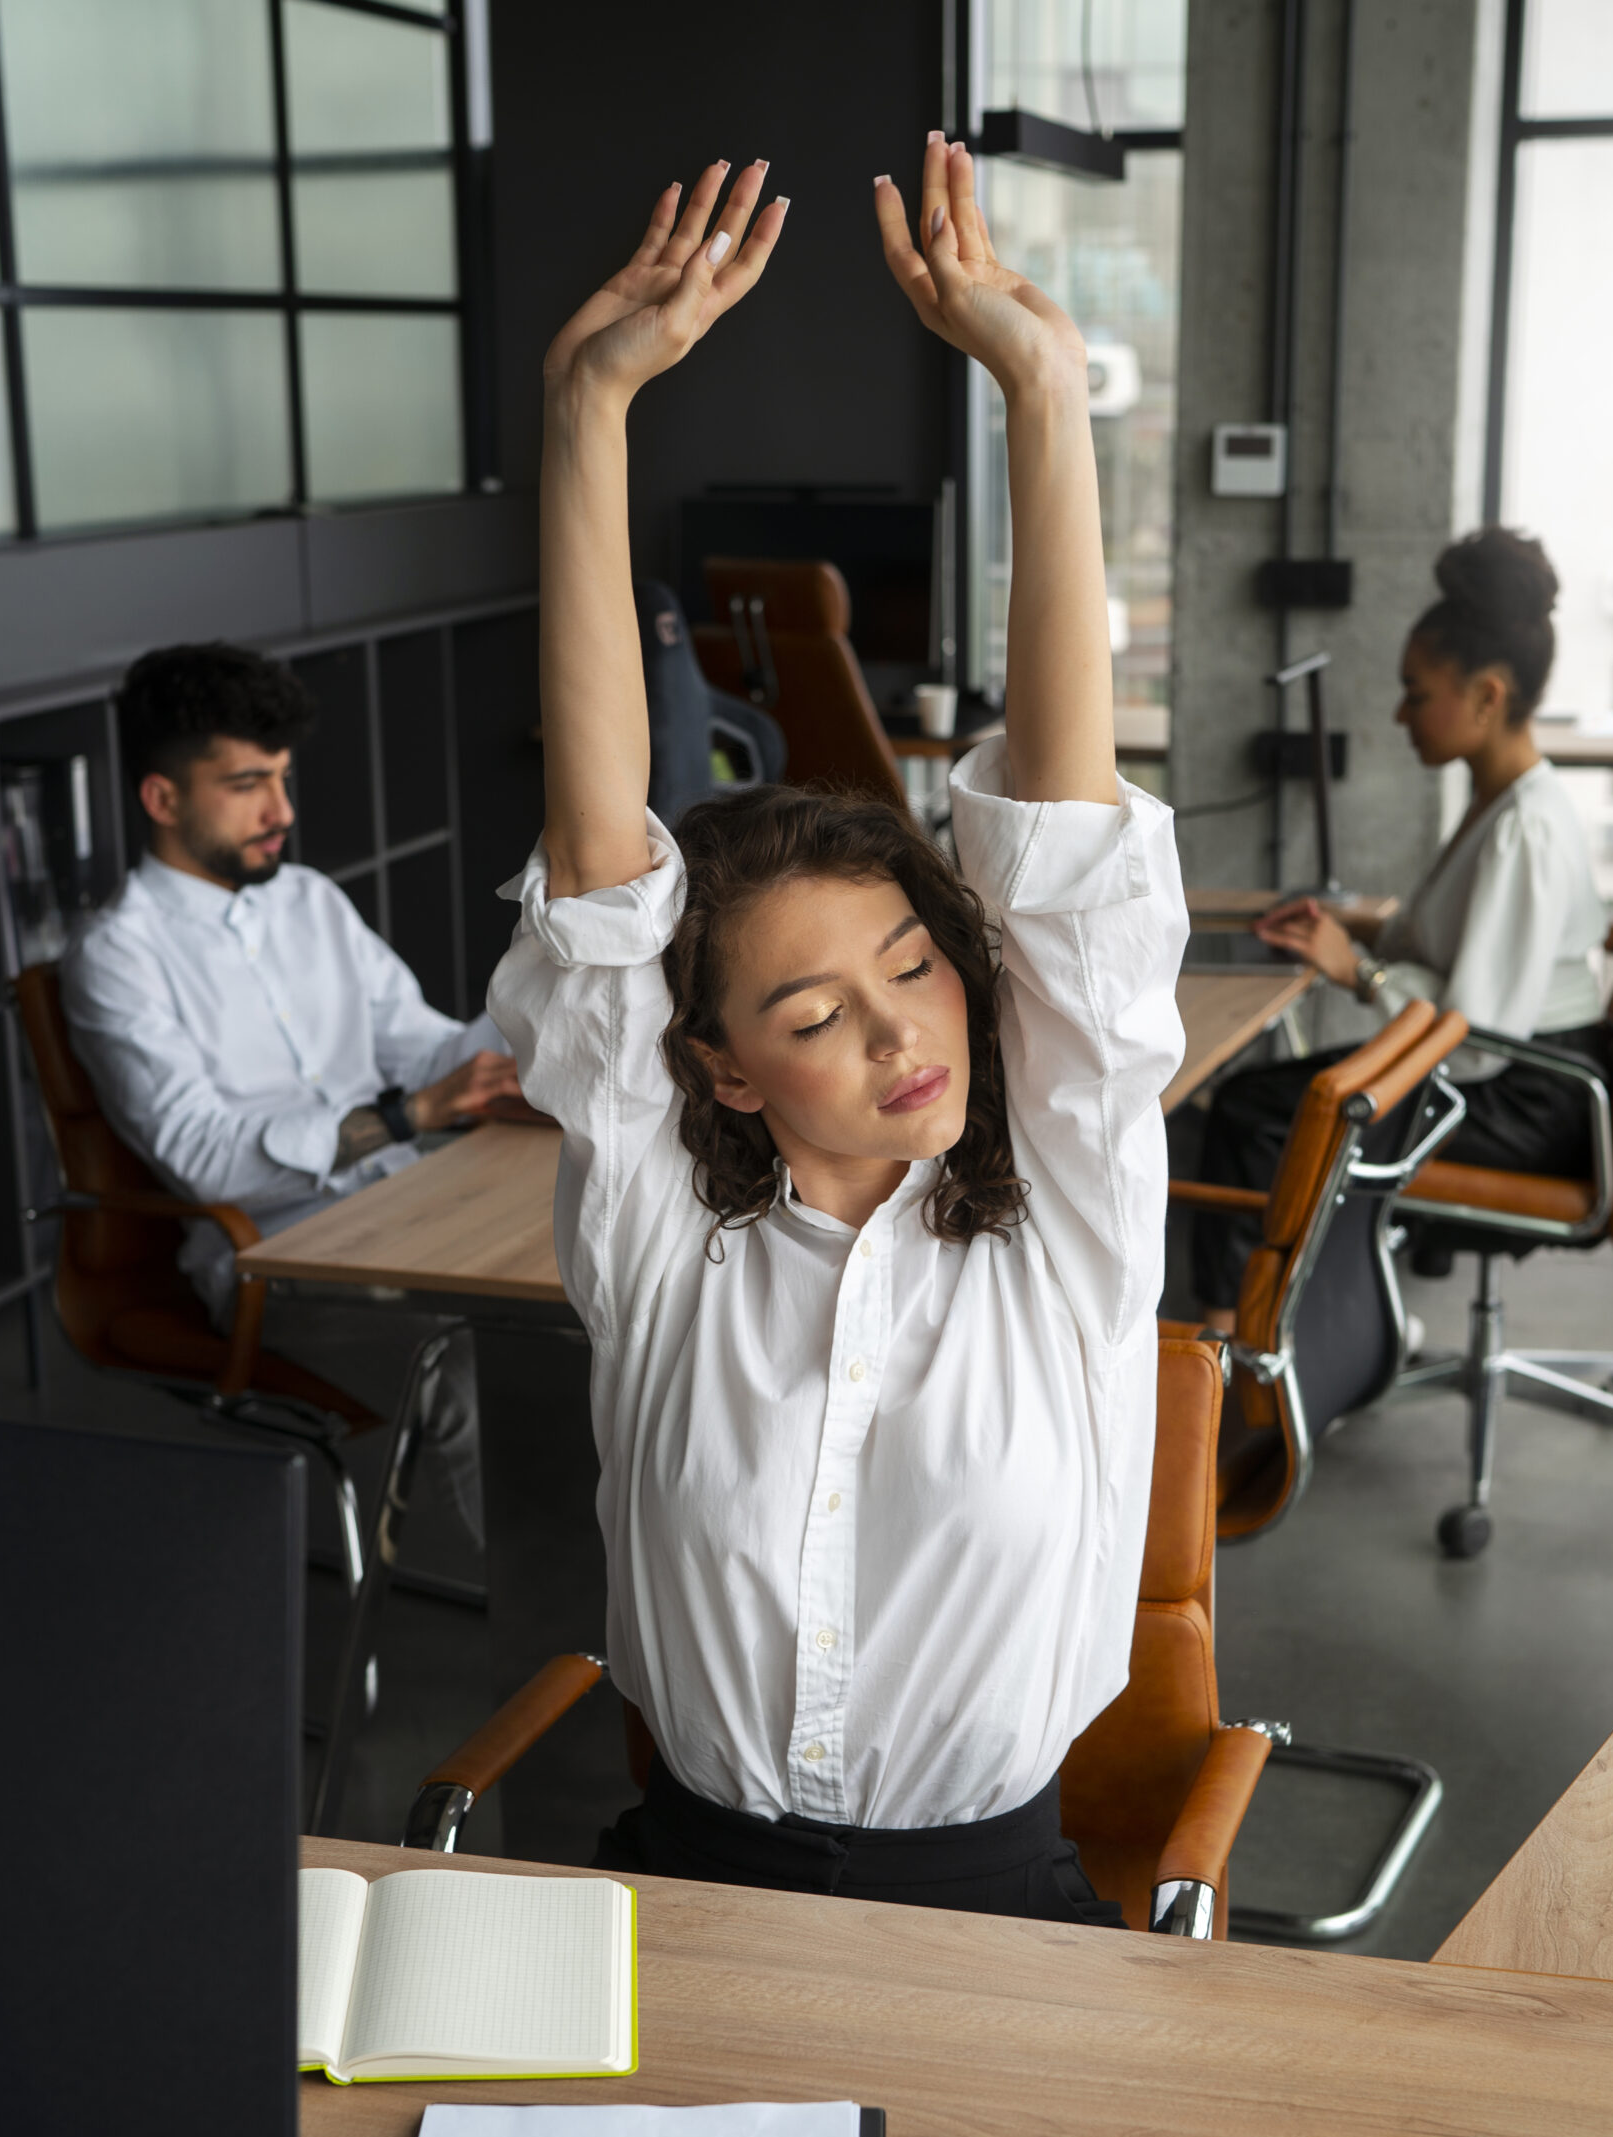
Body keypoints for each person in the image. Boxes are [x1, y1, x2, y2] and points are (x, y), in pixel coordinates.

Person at [487, 141, 1187, 1919]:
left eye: (914, 965)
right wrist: (585, 411)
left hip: (998, 1913)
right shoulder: (664, 1245)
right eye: (811, 1011)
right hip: (685, 1908)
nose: (899, 1034)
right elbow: (596, 864)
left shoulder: (1070, 1228)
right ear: (720, 1068)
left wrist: (1039, 391)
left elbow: (1069, 834)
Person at [64, 641, 523, 1537]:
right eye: (246, 785)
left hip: (404, 1210)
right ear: (162, 799)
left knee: (591, 1308)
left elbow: (426, 1046)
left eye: (281, 776)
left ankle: (606, 1601)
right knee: (464, 1372)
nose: (283, 810)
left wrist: (540, 996)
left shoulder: (307, 899)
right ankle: (547, 1651)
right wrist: (407, 1116)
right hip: (273, 1268)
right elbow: (204, 1163)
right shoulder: (117, 955)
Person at [1193, 529, 1609, 1318]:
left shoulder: (1526, 828)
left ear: (1486, 696)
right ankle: (1292, 1327)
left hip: (1526, 1096)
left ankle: (1236, 1356)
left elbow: (1476, 1035)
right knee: (1262, 1102)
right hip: (1517, 1076)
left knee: (1251, 1114)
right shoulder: (1500, 806)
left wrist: (1356, 969)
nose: (1398, 712)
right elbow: (1453, 952)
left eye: (1416, 693)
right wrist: (1354, 934)